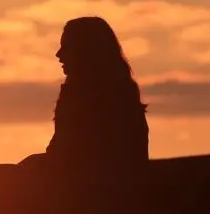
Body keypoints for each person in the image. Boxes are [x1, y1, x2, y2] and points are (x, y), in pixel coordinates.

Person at [42, 16, 149, 171]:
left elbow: (66, 158)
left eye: (67, 46)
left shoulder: (93, 100)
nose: (59, 54)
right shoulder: (121, 95)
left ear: (86, 51)